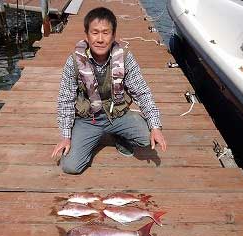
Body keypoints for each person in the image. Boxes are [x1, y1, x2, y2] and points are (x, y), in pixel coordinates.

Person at [51, 7, 167, 174]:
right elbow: (65, 100)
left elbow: (142, 92)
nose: (100, 39)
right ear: (87, 35)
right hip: (88, 119)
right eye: (95, 32)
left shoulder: (125, 57)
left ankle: (119, 136)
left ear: (113, 36)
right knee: (71, 166)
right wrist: (66, 136)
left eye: (105, 33)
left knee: (147, 138)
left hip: (118, 115)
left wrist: (155, 126)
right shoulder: (74, 62)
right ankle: (89, 139)